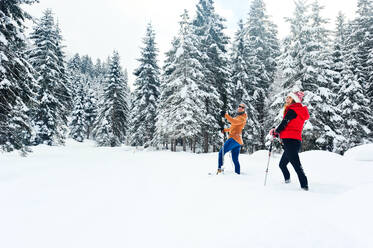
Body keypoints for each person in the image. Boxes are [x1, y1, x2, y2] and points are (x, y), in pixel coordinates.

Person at [269, 91, 310, 191]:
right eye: (287, 97)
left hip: (290, 141)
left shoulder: (292, 110)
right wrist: (277, 131)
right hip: (293, 141)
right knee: (282, 164)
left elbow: (284, 124)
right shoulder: (297, 110)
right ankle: (287, 181)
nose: (287, 99)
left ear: (294, 100)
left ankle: (304, 187)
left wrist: (275, 131)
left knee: (297, 165)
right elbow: (287, 124)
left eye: (289, 98)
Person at [217, 103, 247, 174]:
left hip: (234, 138)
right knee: (235, 159)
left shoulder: (242, 118)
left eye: (242, 107)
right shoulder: (238, 117)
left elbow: (233, 121)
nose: (240, 108)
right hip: (238, 141)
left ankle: (219, 171)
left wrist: (225, 115)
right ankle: (237, 173)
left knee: (221, 152)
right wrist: (224, 130)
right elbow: (232, 127)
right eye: (239, 106)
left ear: (244, 109)